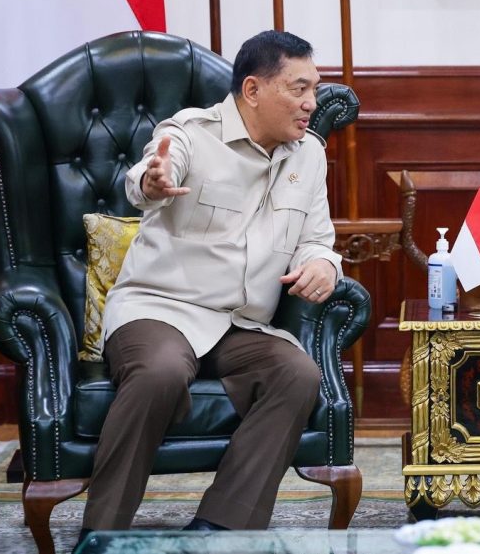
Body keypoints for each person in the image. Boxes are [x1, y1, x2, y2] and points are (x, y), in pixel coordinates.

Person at [79, 30, 342, 540]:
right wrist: (152, 181)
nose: (312, 102)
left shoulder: (309, 154)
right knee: (159, 373)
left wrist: (323, 266)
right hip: (160, 308)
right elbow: (149, 175)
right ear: (253, 90)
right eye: (299, 88)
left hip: (240, 323)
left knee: (297, 373)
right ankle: (101, 537)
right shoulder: (190, 133)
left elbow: (316, 239)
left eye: (314, 88)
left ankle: (219, 531)